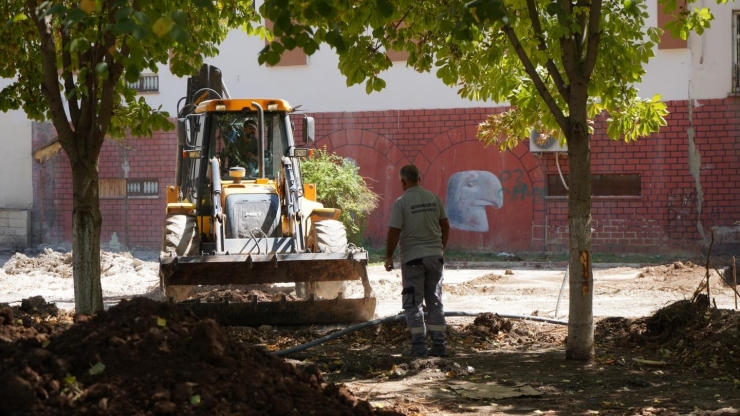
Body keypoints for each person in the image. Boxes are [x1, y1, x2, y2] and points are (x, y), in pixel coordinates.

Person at [385, 164, 451, 358]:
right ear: (419, 179)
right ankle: (439, 346)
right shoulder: (434, 199)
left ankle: (419, 347)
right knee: (435, 301)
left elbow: (393, 232)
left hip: (413, 259)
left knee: (413, 303)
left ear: (403, 182)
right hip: (435, 258)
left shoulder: (401, 202)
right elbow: (445, 225)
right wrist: (440, 248)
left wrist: (388, 256)